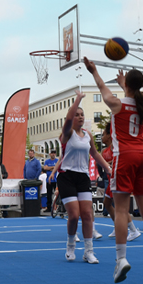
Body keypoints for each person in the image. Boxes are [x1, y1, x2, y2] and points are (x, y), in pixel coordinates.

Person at [85, 57, 143, 282]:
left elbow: (102, 88)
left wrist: (93, 71)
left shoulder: (118, 104)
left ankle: (121, 260)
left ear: (128, 86)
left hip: (125, 156)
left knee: (122, 210)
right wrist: (126, 84)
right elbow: (132, 95)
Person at [57, 89, 111, 265]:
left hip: (83, 177)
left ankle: (89, 251)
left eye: (82, 114)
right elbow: (67, 119)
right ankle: (70, 245)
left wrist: (108, 168)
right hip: (67, 176)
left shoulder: (87, 135)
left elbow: (95, 154)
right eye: (77, 114)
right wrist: (78, 99)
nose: (80, 117)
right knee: (74, 215)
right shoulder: (67, 133)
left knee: (87, 214)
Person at [101, 122, 141, 241]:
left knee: (119, 206)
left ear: (109, 135)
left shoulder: (115, 146)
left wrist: (111, 165)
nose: (101, 137)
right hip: (110, 179)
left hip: (118, 178)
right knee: (107, 204)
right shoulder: (104, 151)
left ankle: (133, 230)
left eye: (103, 134)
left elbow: (121, 160)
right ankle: (118, 226)